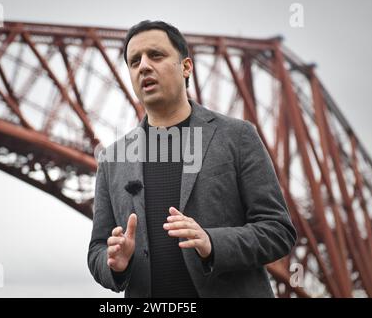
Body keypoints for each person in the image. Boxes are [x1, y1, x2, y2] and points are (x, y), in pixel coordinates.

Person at [88, 20, 297, 298]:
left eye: (156, 55)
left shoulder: (238, 136)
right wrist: (113, 262)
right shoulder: (112, 159)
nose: (144, 66)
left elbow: (278, 230)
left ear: (186, 67)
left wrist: (212, 242)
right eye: (134, 61)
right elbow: (97, 250)